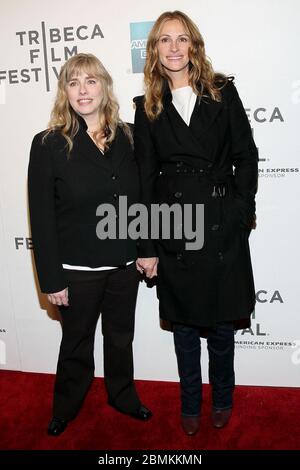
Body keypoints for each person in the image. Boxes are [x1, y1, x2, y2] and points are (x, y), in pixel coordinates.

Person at [134, 11, 258, 436]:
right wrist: (147, 243)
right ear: (154, 50)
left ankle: (222, 398)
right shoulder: (147, 106)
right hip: (175, 229)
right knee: (184, 328)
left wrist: (241, 213)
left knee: (222, 326)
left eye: (181, 39)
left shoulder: (222, 92)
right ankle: (191, 403)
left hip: (222, 224)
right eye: (164, 40)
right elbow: (145, 180)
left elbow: (246, 155)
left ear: (194, 46)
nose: (173, 48)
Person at [28, 53, 151, 437]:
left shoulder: (130, 136)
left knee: (121, 338)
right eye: (73, 82)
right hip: (76, 270)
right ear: (65, 92)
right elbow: (42, 217)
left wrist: (146, 248)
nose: (83, 90)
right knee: (76, 343)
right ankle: (66, 405)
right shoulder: (48, 144)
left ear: (104, 86)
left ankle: (122, 395)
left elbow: (141, 201)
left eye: (91, 81)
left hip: (122, 264)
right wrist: (51, 278)